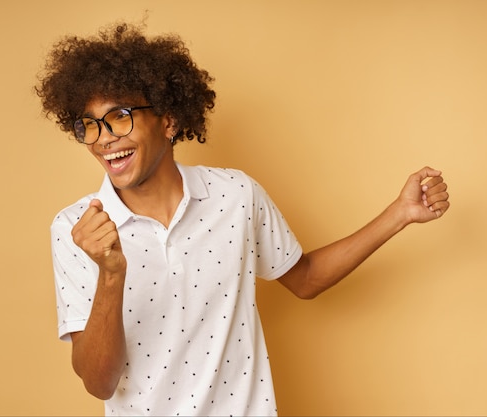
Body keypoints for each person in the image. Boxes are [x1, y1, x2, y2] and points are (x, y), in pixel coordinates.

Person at [35, 22, 450, 416]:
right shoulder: (76, 228)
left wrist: (400, 214)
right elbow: (99, 383)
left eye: (120, 116)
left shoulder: (235, 195)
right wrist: (111, 273)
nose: (104, 137)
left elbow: (305, 278)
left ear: (168, 120)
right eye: (89, 125)